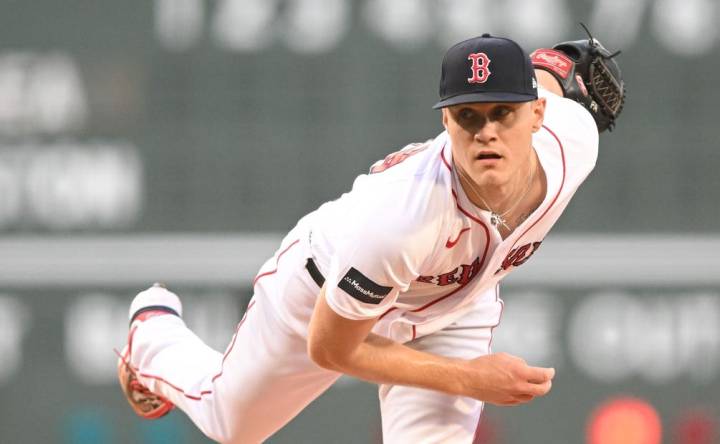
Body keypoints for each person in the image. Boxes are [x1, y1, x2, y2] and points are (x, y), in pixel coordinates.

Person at [117, 32, 622, 443]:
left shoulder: (573, 142)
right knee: (231, 424)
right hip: (324, 292)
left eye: (502, 113)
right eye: (467, 115)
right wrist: (471, 379)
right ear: (445, 120)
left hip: (451, 308)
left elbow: (548, 85)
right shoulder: (402, 218)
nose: (486, 131)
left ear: (535, 116)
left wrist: (551, 66)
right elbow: (332, 349)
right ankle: (152, 337)